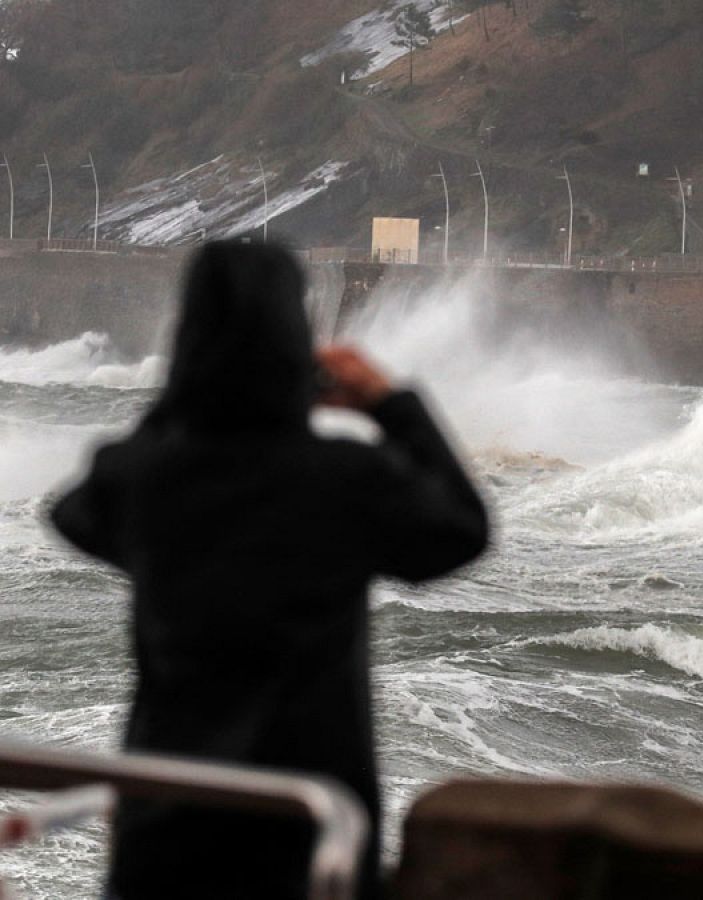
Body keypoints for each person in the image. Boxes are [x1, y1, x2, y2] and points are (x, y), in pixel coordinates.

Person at [51, 241, 490, 899]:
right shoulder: (346, 481)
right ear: (297, 341)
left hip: (167, 832)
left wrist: (185, 398)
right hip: (305, 835)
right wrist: (388, 404)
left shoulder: (144, 479)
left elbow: (77, 512)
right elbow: (461, 530)